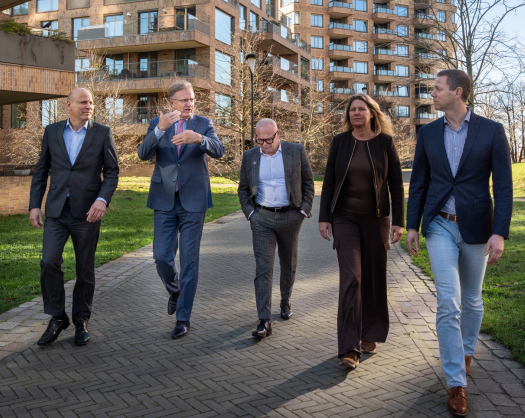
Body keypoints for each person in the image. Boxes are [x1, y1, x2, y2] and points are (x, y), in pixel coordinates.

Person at [406, 69, 512, 417]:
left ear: (458, 92)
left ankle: (466, 352)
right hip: (439, 226)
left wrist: (499, 231)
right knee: (448, 303)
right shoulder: (428, 133)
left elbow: (504, 187)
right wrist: (411, 225)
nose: (431, 94)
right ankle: (456, 383)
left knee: (472, 300)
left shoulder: (491, 131)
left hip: (478, 226)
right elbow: (419, 182)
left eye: (437, 89)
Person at [318, 94, 404, 370]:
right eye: (352, 110)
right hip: (345, 218)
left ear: (371, 113)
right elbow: (329, 181)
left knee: (373, 278)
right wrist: (324, 218)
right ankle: (349, 348)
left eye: (361, 109)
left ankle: (370, 333)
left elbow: (397, 186)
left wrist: (398, 222)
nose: (356, 113)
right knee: (352, 277)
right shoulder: (340, 142)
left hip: (376, 219)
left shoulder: (385, 143)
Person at [29, 88, 119, 347]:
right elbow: (41, 171)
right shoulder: (53, 132)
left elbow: (112, 172)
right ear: (68, 105)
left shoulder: (102, 133)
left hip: (87, 213)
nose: (88, 106)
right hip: (57, 211)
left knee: (85, 270)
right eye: (83, 102)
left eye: (90, 102)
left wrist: (102, 200)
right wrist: (35, 205)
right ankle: (57, 317)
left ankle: (81, 320)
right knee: (49, 262)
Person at [137, 80, 225, 339]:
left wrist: (199, 139)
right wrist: (158, 131)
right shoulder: (157, 123)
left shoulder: (203, 124)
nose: (189, 104)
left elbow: (219, 150)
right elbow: (143, 154)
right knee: (162, 256)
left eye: (192, 99)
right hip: (164, 198)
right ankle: (175, 290)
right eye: (184, 100)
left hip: (193, 201)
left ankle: (183, 318)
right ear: (171, 103)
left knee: (189, 261)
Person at [237, 119, 314, 339]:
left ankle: (285, 300)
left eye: (268, 140)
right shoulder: (250, 156)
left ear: (278, 134)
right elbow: (242, 189)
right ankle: (264, 319)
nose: (263, 144)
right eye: (259, 140)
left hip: (291, 216)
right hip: (262, 218)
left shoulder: (296, 151)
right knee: (263, 268)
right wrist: (251, 214)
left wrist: (303, 210)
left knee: (288, 264)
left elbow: (308, 183)